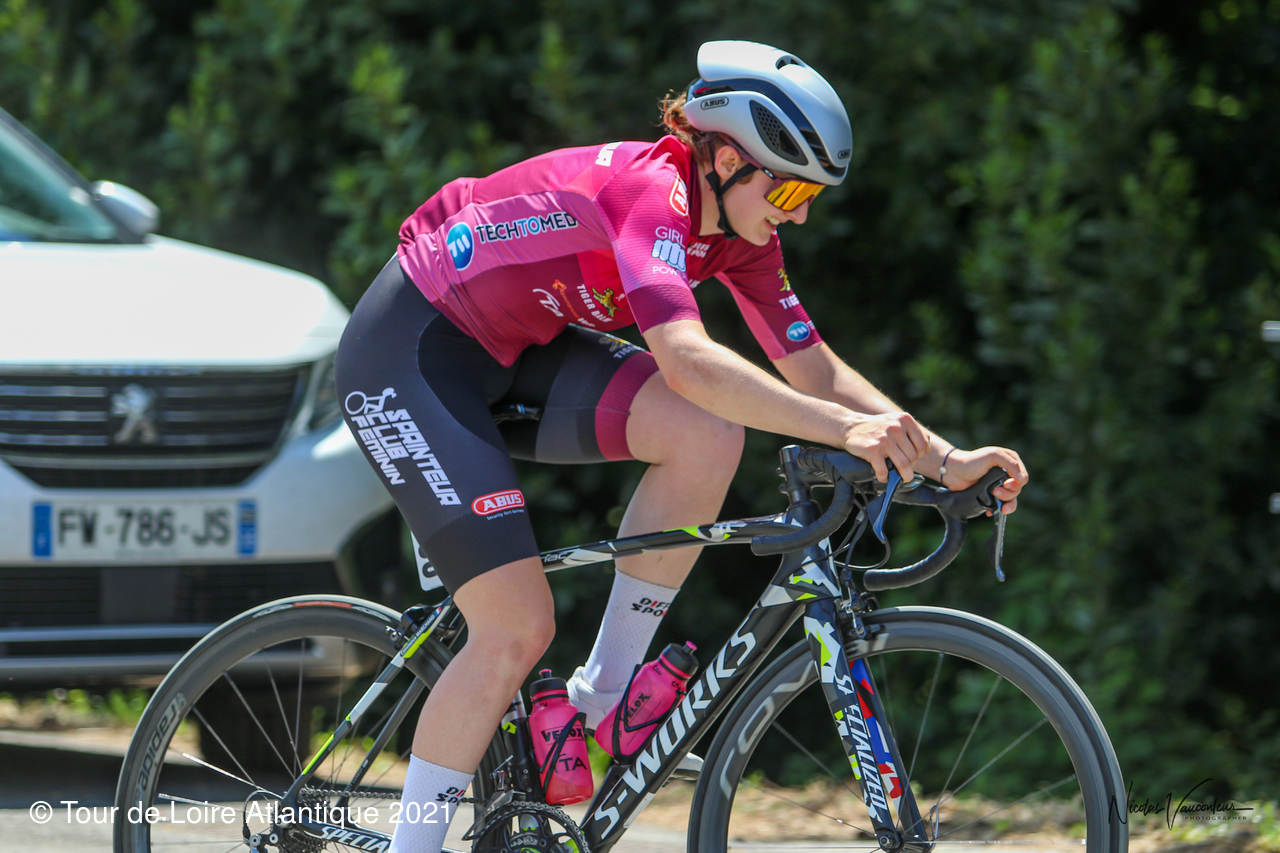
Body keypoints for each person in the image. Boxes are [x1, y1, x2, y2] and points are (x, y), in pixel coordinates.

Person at [335, 39, 1027, 852]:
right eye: (792, 187)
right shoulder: (649, 194)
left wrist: (943, 458)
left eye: (812, 193)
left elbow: (812, 367)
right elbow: (688, 361)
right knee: (515, 626)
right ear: (728, 160)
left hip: (517, 349)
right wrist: (845, 431)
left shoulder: (740, 233)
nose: (801, 212)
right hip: (412, 354)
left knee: (705, 433)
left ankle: (601, 702)